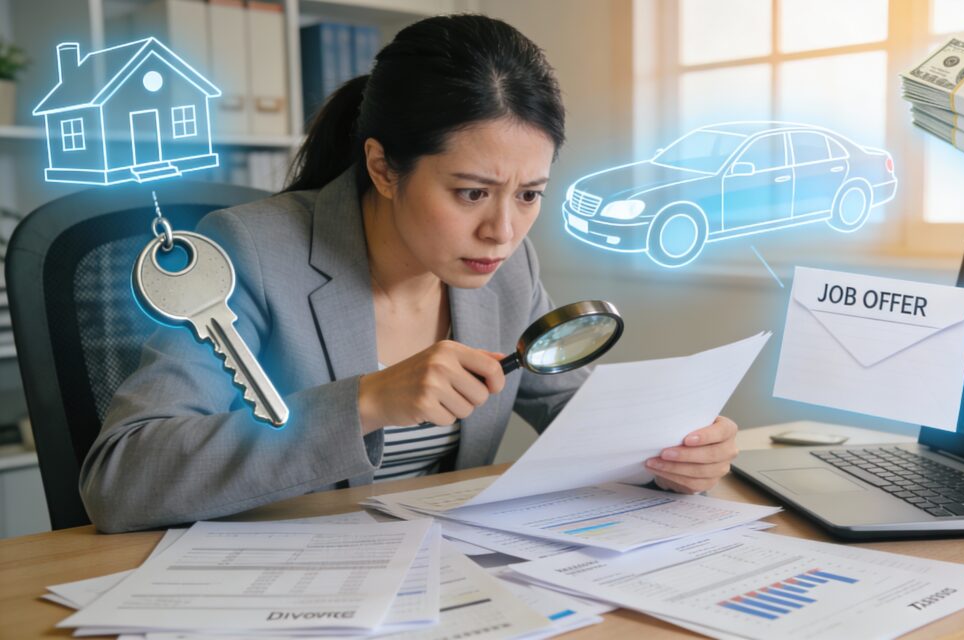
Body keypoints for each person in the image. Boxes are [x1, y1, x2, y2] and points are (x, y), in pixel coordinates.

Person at [82, 14, 741, 533]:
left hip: (433, 578)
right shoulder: (247, 252)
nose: (503, 232)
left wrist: (676, 455)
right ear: (383, 168)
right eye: (471, 193)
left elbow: (587, 422)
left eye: (530, 194)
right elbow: (120, 480)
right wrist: (367, 401)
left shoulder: (508, 271)